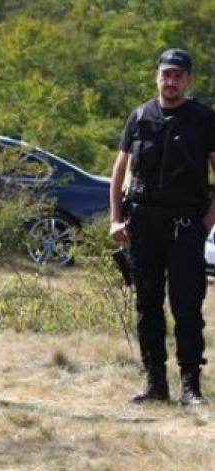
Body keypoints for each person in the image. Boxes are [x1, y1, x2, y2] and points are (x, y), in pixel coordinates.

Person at [109, 48, 215, 406]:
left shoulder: (203, 119)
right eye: (166, 74)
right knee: (147, 306)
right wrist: (115, 220)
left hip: (185, 226)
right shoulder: (140, 117)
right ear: (157, 77)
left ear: (188, 80)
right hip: (143, 226)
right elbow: (118, 173)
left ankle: (190, 386)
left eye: (178, 76)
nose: (171, 81)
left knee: (186, 306)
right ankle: (155, 382)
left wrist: (205, 224)